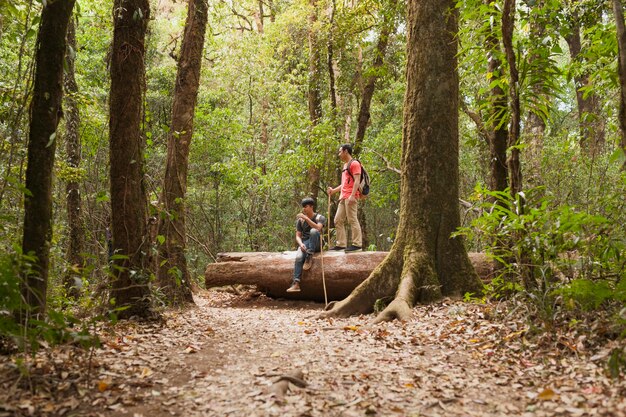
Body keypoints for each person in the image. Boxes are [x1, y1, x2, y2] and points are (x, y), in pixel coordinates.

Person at [286, 197, 326, 292]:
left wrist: (306, 218)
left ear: (311, 207)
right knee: (299, 257)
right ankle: (296, 283)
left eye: (306, 206)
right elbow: (298, 236)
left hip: (317, 243)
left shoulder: (319, 217)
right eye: (303, 207)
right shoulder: (300, 221)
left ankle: (309, 256)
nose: (304, 209)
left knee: (313, 231)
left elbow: (318, 228)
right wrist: (301, 244)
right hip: (305, 243)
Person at [327, 143, 362, 252]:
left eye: (340, 151)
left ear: (346, 151)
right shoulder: (345, 165)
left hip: (351, 197)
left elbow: (357, 181)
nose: (339, 154)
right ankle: (341, 244)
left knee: (352, 219)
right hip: (343, 197)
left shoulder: (354, 163)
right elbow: (344, 184)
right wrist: (333, 191)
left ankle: (357, 244)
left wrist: (352, 195)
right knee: (337, 220)